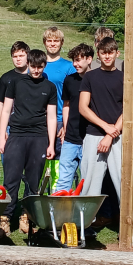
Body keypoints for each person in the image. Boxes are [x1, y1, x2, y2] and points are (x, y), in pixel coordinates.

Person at [0, 49, 57, 228]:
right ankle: (5, 217)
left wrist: (51, 144)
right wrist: (1, 137)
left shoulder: (50, 87)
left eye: (40, 67)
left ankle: (26, 215)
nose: (36, 70)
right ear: (28, 64)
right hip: (16, 135)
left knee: (33, 179)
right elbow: (6, 110)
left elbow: (52, 117)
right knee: (11, 178)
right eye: (33, 66)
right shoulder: (15, 82)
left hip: (38, 137)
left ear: (44, 66)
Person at [78, 38, 124, 226]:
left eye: (110, 52)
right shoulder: (90, 77)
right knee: (90, 182)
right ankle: (84, 225)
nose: (107, 56)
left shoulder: (124, 78)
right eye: (103, 52)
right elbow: (83, 107)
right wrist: (105, 128)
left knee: (123, 181)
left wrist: (111, 133)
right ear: (98, 55)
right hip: (93, 136)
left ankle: (126, 225)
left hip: (118, 137)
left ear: (117, 54)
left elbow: (128, 109)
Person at [57, 42, 94, 191]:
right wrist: (65, 129)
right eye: (74, 60)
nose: (75, 64)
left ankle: (86, 214)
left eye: (78, 60)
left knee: (87, 182)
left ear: (89, 59)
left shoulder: (96, 80)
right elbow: (66, 105)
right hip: (70, 139)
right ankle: (59, 214)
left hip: (90, 138)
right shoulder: (69, 80)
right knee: (63, 180)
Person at [42, 27, 76, 184]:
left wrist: (66, 125)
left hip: (61, 119)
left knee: (60, 164)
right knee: (40, 164)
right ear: (44, 43)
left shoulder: (69, 67)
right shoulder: (37, 65)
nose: (52, 44)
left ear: (61, 43)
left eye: (56, 41)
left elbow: (73, 98)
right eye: (49, 40)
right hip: (40, 120)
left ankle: (58, 196)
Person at [0, 41, 29, 126]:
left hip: (34, 127)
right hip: (11, 126)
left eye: (21, 56)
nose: (18, 59)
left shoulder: (37, 76)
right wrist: (0, 127)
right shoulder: (6, 78)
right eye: (15, 56)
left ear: (28, 56)